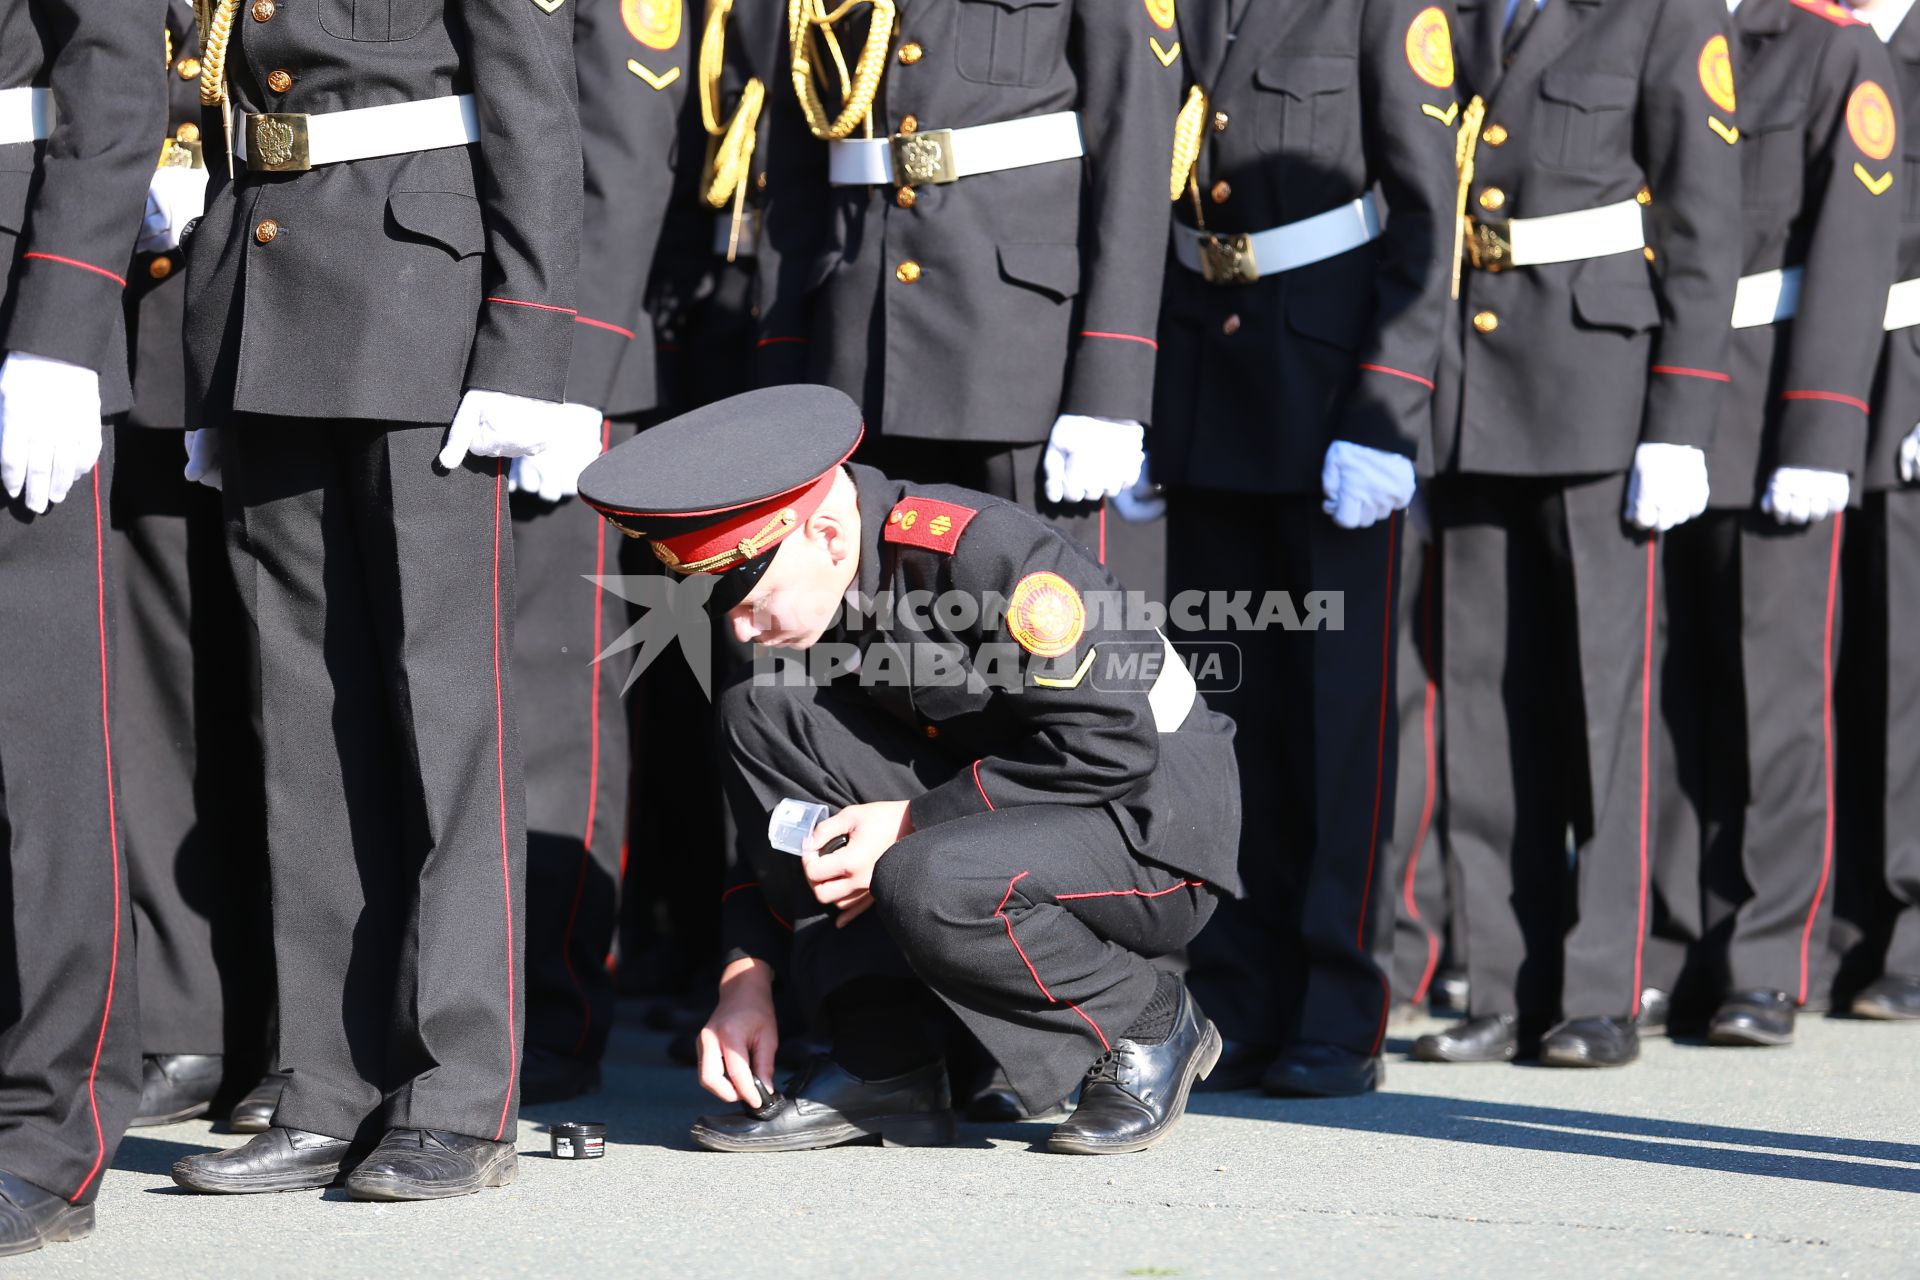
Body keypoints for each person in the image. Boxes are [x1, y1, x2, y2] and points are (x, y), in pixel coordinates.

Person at [576, 384, 1241, 1155]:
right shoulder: (816, 596)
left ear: (826, 534)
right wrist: (744, 970)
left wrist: (906, 823)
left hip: (1150, 827)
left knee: (925, 873)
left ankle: (1148, 1021)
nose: (737, 623)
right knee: (758, 712)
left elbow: (1110, 747)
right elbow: (776, 819)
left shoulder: (979, 553)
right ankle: (885, 1059)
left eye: (745, 595)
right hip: (1012, 813)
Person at [168, 0, 581, 1200]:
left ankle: (461, 1092)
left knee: (445, 722)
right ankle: (324, 1082)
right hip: (268, 289)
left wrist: (529, 348)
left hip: (428, 304)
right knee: (304, 727)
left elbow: (536, 108)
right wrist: (212, 349)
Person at [1414, 0, 1741, 1069]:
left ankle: (1600, 989)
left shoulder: (1665, 14)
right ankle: (1503, 981)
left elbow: (1703, 220)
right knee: (1481, 704)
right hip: (1472, 395)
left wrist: (1683, 416)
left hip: (1603, 390)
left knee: (1606, 705)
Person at [1152, 0, 1460, 1097]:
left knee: (1342, 731)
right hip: (1208, 391)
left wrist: (1391, 406)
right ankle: (1235, 989)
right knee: (1226, 721)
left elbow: (1427, 214)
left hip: (1332, 395)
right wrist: (1147, 402)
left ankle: (1340, 1004)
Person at [1652, 0, 1899, 1049]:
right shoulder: (1668, 31)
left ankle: (1768, 958)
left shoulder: (1833, 49)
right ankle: (1673, 944)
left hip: (1775, 399)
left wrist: (1826, 427)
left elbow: (1854, 244)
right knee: (1673, 695)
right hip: (1669, 405)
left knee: (1777, 697)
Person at [754, 0, 1181, 559]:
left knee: (1037, 624)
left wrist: (1109, 387)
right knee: (881, 632)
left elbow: (1135, 144)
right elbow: (797, 154)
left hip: (1018, 355)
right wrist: (782, 362)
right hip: (858, 344)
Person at [0, 0, 164, 1254]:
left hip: (12, 288)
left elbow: (112, 66)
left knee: (35, 742)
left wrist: (57, 326)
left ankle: (47, 1123)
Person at [510, 0, 692, 1108]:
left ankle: (553, 1012)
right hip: (439, 337)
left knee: (550, 710)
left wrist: (575, 380)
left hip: (562, 368)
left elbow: (626, 149)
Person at [116, 0, 275, 1133]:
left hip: (274, 311)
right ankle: (186, 1011)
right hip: (131, 325)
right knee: (154, 697)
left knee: (286, 694)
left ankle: (288, 1022)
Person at [1830, 0, 1920, 1022]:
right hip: (1817, 374)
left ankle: (1906, 931)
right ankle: (1840, 920)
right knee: (1828, 665)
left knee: (1905, 672)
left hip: (1908, 373)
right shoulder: (1816, 33)